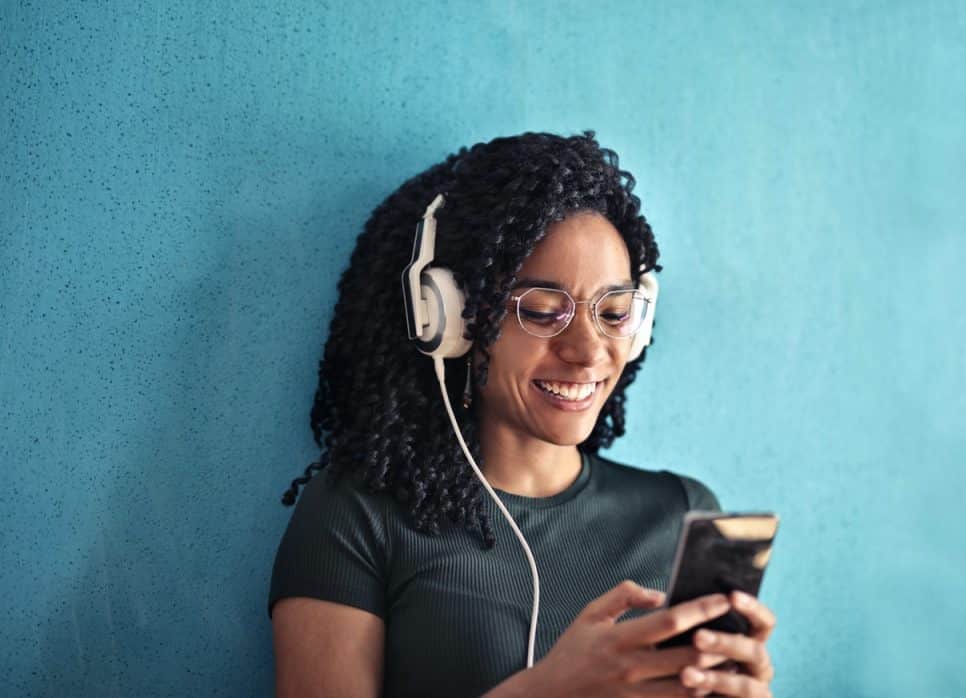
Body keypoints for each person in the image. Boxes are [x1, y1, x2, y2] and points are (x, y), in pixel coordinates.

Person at [268, 131, 776, 697]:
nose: (587, 351)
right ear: (450, 320)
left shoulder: (682, 515)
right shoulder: (358, 516)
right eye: (541, 310)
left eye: (613, 311)